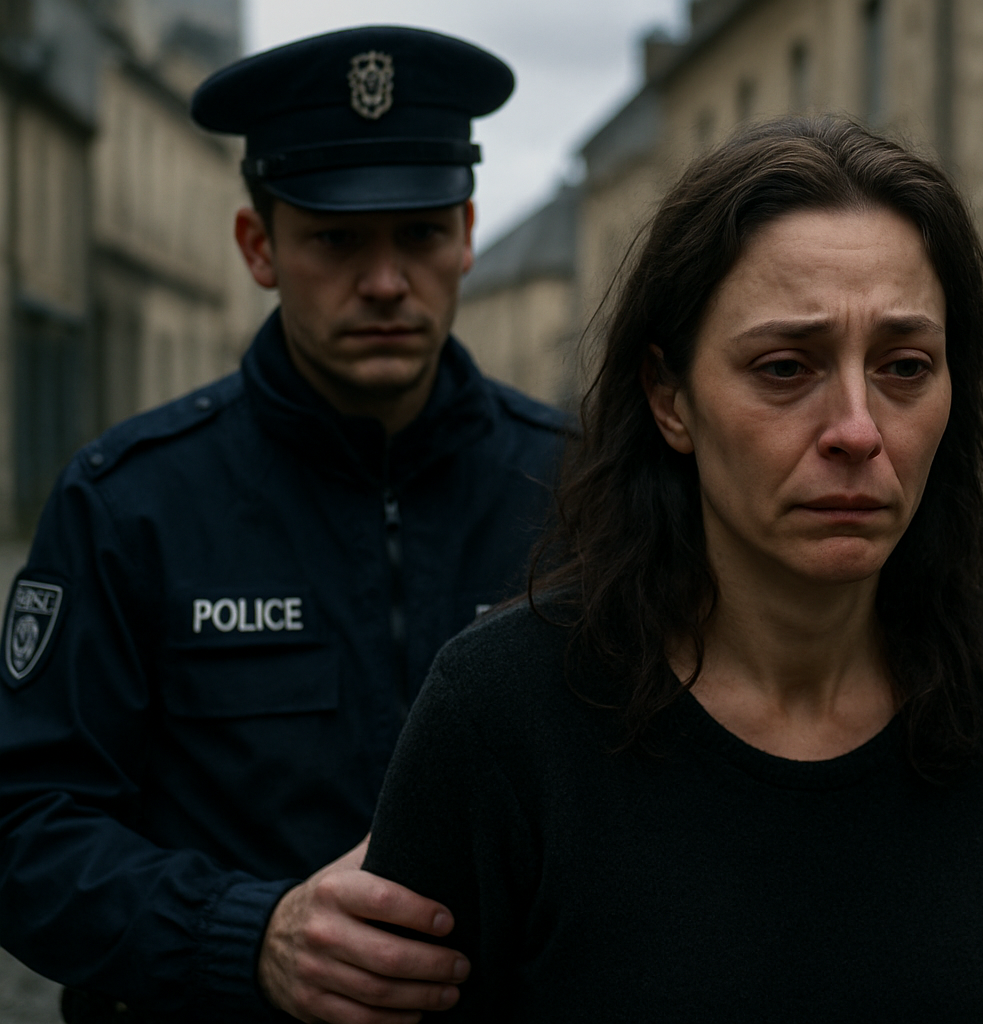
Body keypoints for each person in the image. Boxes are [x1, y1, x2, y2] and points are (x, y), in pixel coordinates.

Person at [358, 116, 983, 1022]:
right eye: (785, 367)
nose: (858, 429)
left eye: (905, 365)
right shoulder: (502, 712)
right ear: (669, 397)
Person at [0, 26, 567, 1024]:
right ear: (259, 247)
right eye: (337, 240)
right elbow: (25, 829)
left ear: (470, 233)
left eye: (423, 233)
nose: (387, 281)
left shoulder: (580, 489)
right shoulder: (129, 502)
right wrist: (244, 934)